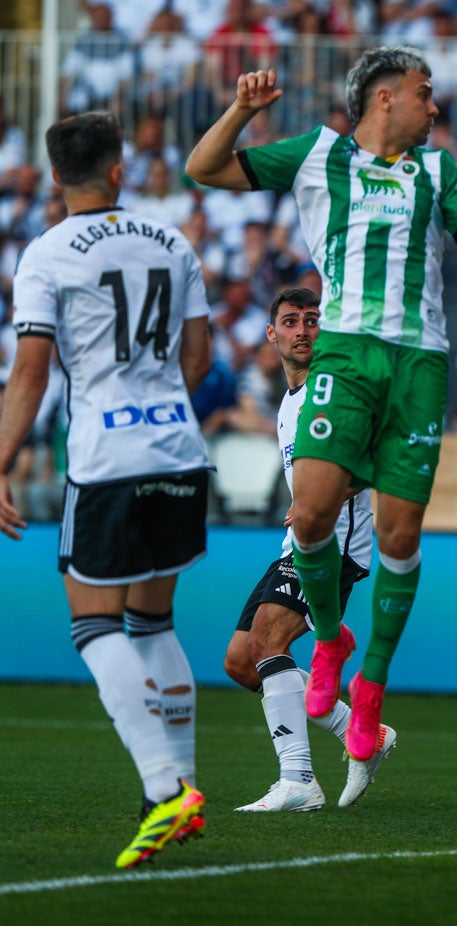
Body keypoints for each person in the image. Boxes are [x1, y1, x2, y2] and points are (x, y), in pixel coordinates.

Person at [186, 47, 457, 763]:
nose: (436, 107)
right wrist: (241, 109)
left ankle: (370, 687)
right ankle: (328, 638)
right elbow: (204, 170)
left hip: (418, 362)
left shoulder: (438, 169)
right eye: (426, 93)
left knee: (399, 539)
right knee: (309, 514)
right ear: (385, 97)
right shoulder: (318, 154)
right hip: (346, 352)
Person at [0, 112, 211, 868]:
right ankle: (185, 784)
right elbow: (199, 355)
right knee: (154, 622)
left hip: (108, 458)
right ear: (120, 171)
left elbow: (30, 372)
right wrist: (159, 407)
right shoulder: (172, 239)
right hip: (182, 454)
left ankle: (165, 790)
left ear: (55, 177)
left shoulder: (46, 254)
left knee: (94, 626)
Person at [221, 287, 395, 812]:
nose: (302, 330)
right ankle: (361, 730)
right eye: (291, 321)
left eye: (312, 321)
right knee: (242, 662)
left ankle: (298, 780)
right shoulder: (290, 400)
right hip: (297, 541)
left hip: (335, 543)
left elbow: (370, 459)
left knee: (270, 636)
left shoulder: (336, 389)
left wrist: (324, 498)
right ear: (272, 334)